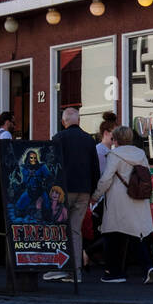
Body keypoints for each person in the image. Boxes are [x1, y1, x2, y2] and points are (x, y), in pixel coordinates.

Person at [93, 125, 153, 285]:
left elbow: (107, 178)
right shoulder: (141, 154)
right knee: (137, 235)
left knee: (112, 236)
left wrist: (95, 196)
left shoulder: (114, 154)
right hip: (138, 199)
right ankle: (148, 267)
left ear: (116, 139)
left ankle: (115, 273)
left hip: (118, 201)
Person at [48, 107, 100, 282]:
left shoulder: (58, 138)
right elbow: (95, 169)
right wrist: (93, 192)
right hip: (84, 191)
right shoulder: (89, 140)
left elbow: (52, 167)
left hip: (63, 191)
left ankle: (59, 266)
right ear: (79, 121)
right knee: (75, 230)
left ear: (64, 122)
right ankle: (76, 273)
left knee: (59, 229)